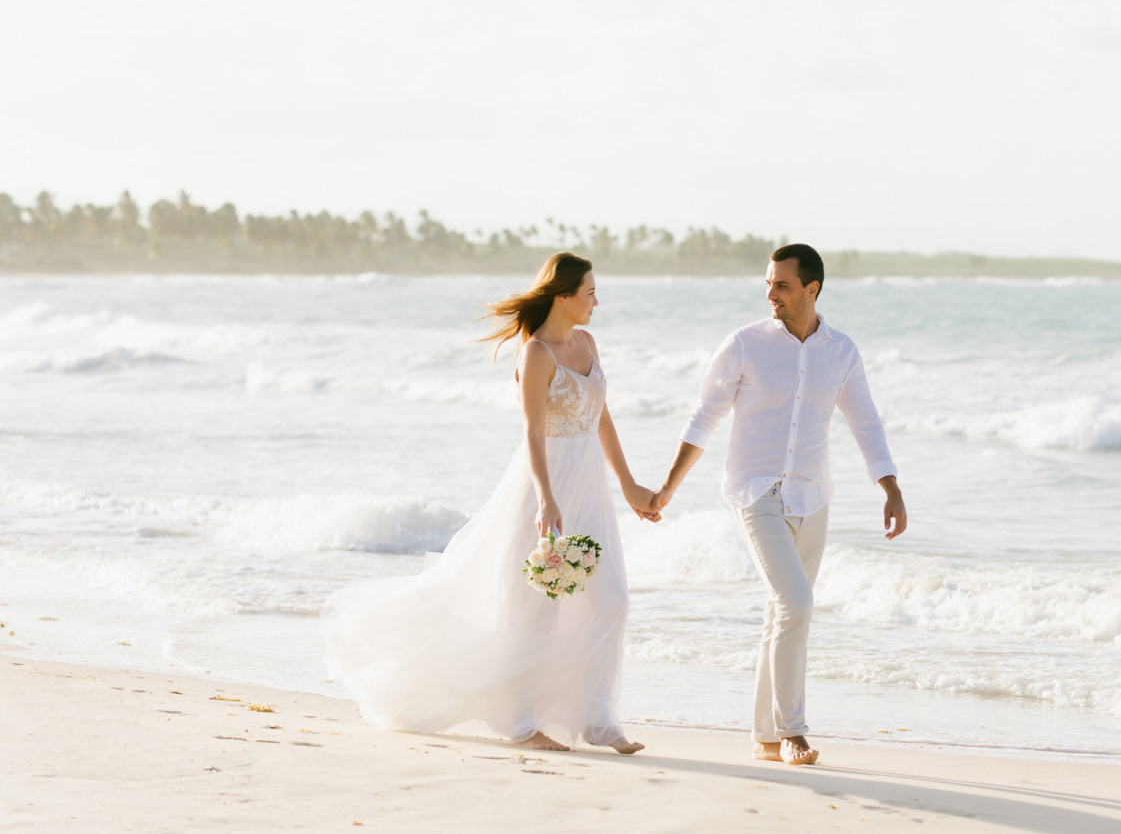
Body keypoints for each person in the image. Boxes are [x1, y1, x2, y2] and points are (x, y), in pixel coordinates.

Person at [322, 252, 655, 754]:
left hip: (591, 491)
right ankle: (521, 722)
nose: (596, 301)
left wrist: (629, 485)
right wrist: (545, 498)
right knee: (538, 607)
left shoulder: (586, 343)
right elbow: (533, 433)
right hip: (545, 487)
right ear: (563, 296)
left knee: (609, 598)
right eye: (589, 292)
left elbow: (602, 418)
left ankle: (598, 719)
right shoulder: (537, 353)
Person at [651, 243, 906, 765]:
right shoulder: (745, 344)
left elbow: (866, 422)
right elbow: (705, 416)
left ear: (812, 289)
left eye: (782, 285)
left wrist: (890, 487)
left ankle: (765, 737)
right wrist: (669, 486)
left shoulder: (841, 351)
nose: (771, 294)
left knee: (780, 614)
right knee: (797, 605)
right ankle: (793, 731)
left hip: (813, 497)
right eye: (768, 284)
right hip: (756, 490)